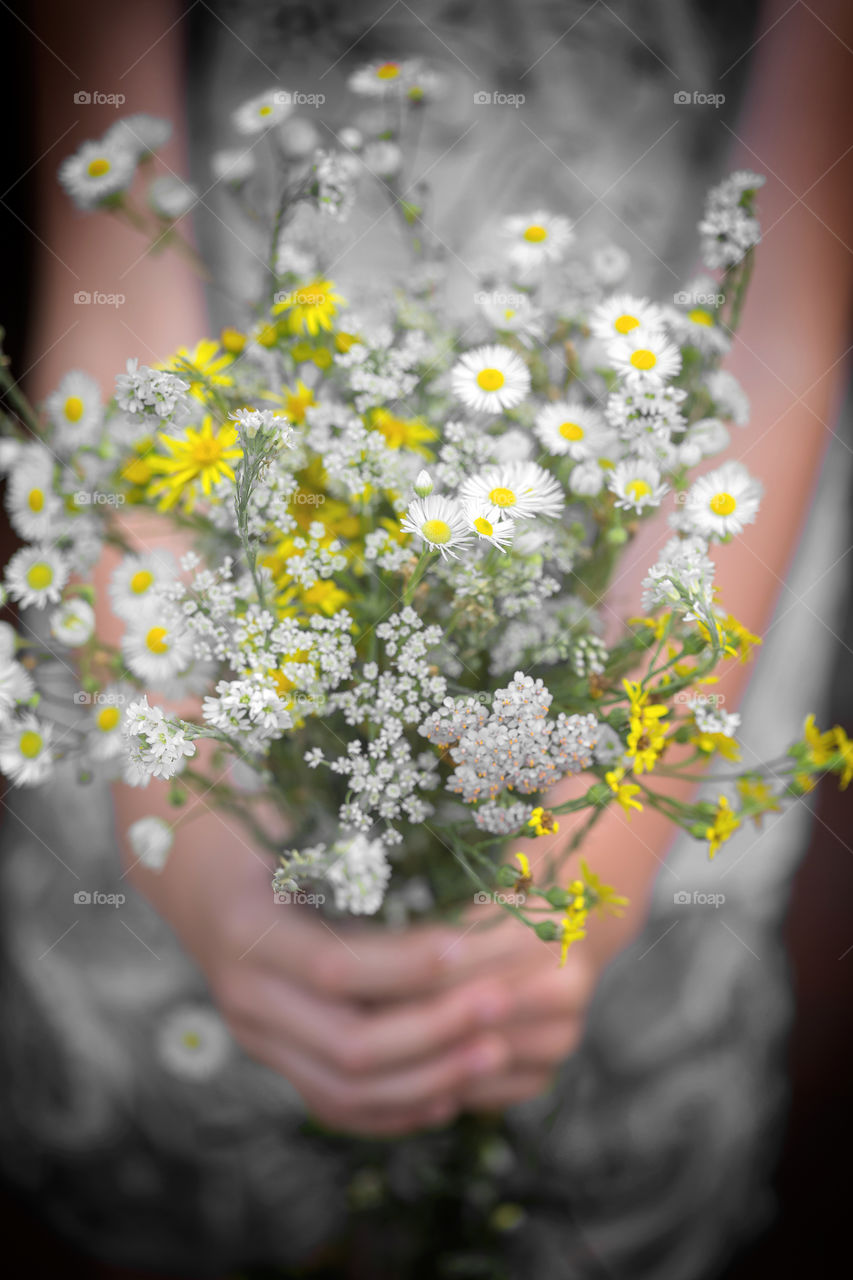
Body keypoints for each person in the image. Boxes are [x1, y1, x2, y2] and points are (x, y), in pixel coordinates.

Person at [2, 0, 850, 1273]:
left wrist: (598, 849)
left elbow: (789, 269)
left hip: (667, 572)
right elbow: (120, 275)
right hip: (207, 622)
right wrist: (193, 839)